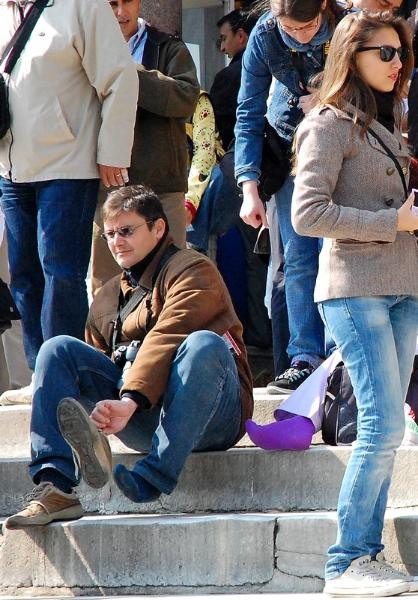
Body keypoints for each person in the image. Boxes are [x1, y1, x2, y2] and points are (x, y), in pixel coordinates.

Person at [3, 185, 253, 529]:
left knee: (203, 345)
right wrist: (98, 413)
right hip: (141, 417)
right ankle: (55, 487)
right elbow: (98, 360)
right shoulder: (107, 296)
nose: (116, 242)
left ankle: (153, 476)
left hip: (212, 416)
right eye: (109, 234)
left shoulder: (194, 269)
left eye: (126, 231)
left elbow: (168, 336)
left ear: (158, 228)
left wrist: (129, 398)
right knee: (57, 349)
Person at [292, 11, 418, 596]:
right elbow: (307, 214)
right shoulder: (327, 123)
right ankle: (345, 562)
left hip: (403, 287)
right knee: (381, 424)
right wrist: (392, 222)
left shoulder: (390, 124)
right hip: (353, 288)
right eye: (384, 53)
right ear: (352, 55)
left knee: (389, 429)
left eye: (401, 53)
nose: (397, 63)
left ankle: (363, 556)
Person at [0, 0, 138, 396]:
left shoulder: (82, 6)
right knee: (23, 275)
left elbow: (120, 78)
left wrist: (112, 152)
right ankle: (39, 373)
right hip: (10, 166)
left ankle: (62, 372)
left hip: (69, 164)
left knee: (60, 272)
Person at [235, 0, 350, 395]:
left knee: (336, 252)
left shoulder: (347, 25)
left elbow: (381, 88)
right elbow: (248, 111)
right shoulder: (265, 33)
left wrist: (330, 99)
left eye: (310, 26)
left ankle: (339, 356)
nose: (301, 37)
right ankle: (304, 357)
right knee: (299, 259)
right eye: (291, 30)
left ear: (323, 7)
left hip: (344, 152)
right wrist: (249, 186)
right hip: (290, 151)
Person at [91, 0, 200, 295]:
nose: (120, 12)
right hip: (106, 185)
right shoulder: (84, 48)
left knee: (172, 280)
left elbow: (186, 99)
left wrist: (127, 72)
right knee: (108, 288)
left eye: (128, 1)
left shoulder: (168, 47)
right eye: (112, 3)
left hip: (161, 186)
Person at [210, 9, 258, 151]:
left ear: (241, 36)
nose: (222, 48)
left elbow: (213, 125)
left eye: (224, 38)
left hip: (239, 152)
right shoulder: (276, 68)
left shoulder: (228, 76)